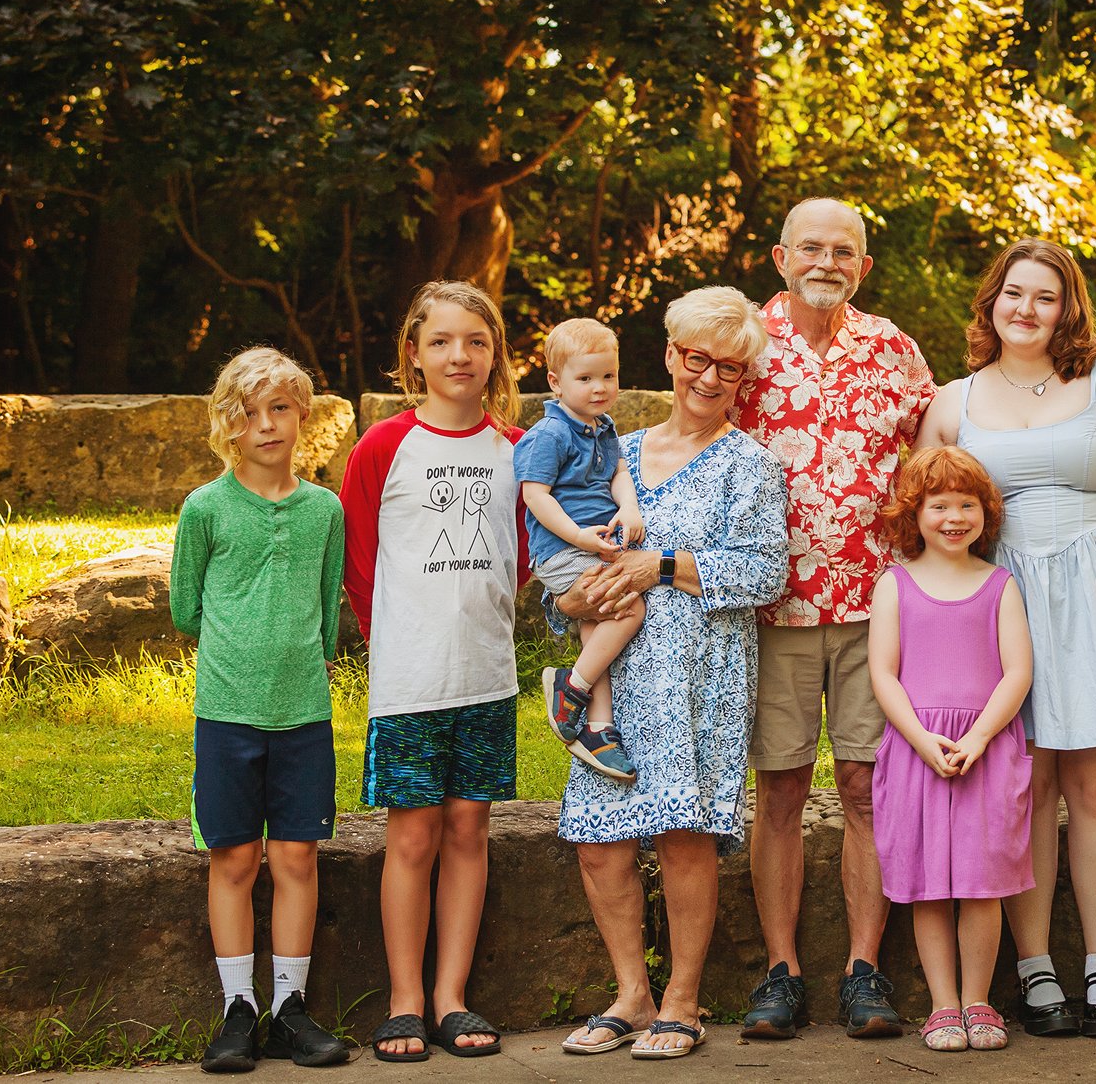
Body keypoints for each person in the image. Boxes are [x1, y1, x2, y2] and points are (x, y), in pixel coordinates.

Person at [917, 239, 1096, 1040]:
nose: (1027, 310)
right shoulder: (953, 403)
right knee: (1024, 794)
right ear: (991, 302)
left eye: (1046, 296)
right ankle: (1036, 968)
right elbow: (929, 519)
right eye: (1014, 294)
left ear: (1068, 305)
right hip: (1001, 607)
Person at [557, 288, 789, 1061]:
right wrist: (572, 594)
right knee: (601, 842)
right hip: (612, 683)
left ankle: (682, 1002)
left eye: (730, 365)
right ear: (670, 357)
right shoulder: (608, 449)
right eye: (698, 359)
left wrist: (661, 564)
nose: (711, 376)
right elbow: (564, 559)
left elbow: (763, 574)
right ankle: (631, 994)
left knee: (685, 837)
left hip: (701, 674)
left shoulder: (748, 465)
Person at [731, 197, 935, 1041]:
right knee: (778, 790)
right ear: (780, 257)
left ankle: (863, 969)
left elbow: (934, 467)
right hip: (769, 606)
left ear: (863, 265)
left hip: (873, 610)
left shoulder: (894, 349)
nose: (826, 260)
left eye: (842, 249)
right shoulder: (738, 342)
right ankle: (780, 972)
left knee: (865, 788)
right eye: (810, 247)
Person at [337, 280, 530, 1060]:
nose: (460, 355)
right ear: (413, 355)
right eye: (443, 341)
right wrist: (400, 643)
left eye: (476, 342)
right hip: (411, 678)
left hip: (486, 673)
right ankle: (405, 999)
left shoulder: (517, 450)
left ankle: (453, 996)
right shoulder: (385, 447)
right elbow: (358, 564)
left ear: (495, 356)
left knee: (469, 829)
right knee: (412, 836)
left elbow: (521, 555)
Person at [170, 348, 351, 1073]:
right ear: (228, 423)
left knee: (297, 855)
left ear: (303, 417)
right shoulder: (206, 508)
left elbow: (327, 610)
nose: (266, 424)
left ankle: (290, 1008)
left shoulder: (324, 511)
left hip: (303, 708)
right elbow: (187, 609)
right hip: (227, 709)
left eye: (280, 408)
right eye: (249, 413)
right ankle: (237, 1010)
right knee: (236, 855)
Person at [867, 446, 1035, 1054]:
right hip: (918, 750)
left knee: (981, 881)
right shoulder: (896, 585)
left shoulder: (999, 585)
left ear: (985, 514)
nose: (954, 517)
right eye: (939, 505)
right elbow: (884, 675)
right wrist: (922, 739)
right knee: (928, 885)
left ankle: (979, 1000)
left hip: (984, 750)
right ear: (914, 514)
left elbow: (1017, 671)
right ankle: (942, 1004)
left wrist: (979, 736)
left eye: (968, 504)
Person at [513, 316, 643, 783]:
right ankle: (572, 685)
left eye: (608, 376)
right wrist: (579, 537)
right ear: (555, 381)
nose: (599, 387)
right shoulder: (549, 434)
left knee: (597, 627)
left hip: (596, 541)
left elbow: (618, 474)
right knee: (627, 610)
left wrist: (628, 509)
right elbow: (535, 495)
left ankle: (598, 727)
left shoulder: (601, 427)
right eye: (585, 378)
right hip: (563, 547)